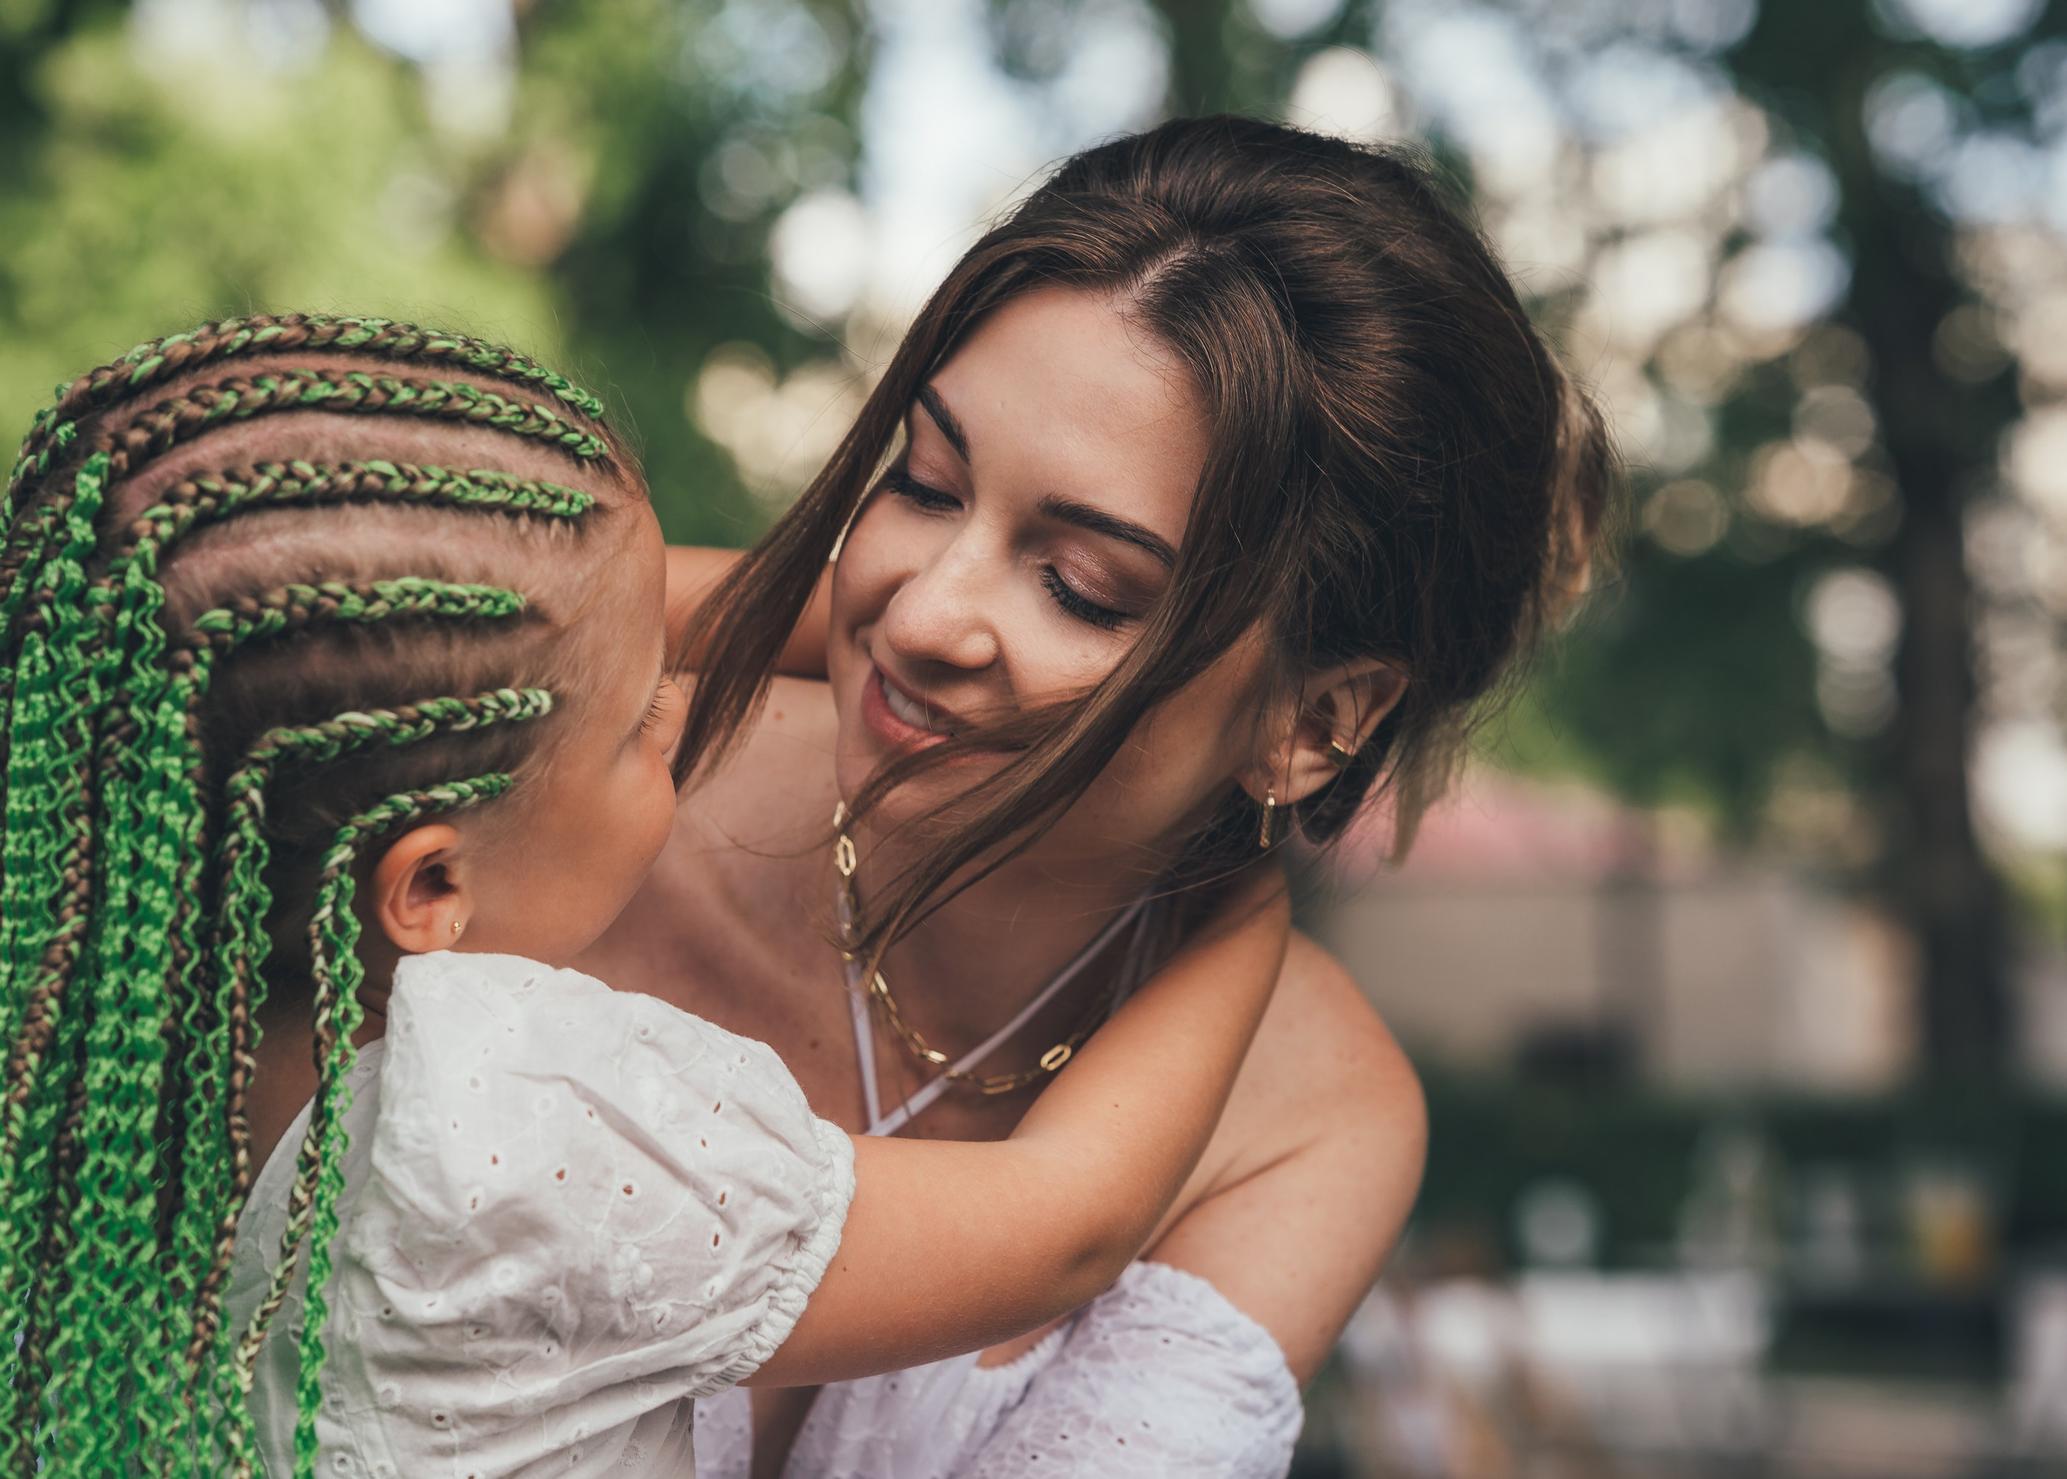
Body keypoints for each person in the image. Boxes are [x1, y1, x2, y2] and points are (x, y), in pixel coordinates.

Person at [0, 315, 1289, 1479]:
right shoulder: (508, 1119)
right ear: (431, 886)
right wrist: (1241, 893)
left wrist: (898, 620)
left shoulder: (92, 1062)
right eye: (648, 719)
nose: (695, 720)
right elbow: (1061, 1230)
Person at [579, 114, 1614, 1478]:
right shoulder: (581, 804)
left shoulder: (1312, 1114)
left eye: (1081, 586)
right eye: (926, 482)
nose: (926, 613)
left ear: (1316, 723)